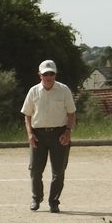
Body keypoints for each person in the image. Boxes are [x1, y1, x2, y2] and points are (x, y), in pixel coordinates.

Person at [21, 59, 76, 213]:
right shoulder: (33, 91)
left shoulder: (64, 90)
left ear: (55, 74)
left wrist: (67, 132)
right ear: (40, 75)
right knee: (35, 169)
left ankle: (54, 202)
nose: (49, 77)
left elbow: (71, 112)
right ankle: (36, 198)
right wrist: (30, 134)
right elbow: (27, 115)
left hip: (59, 134)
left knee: (58, 171)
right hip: (38, 135)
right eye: (45, 74)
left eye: (51, 73)